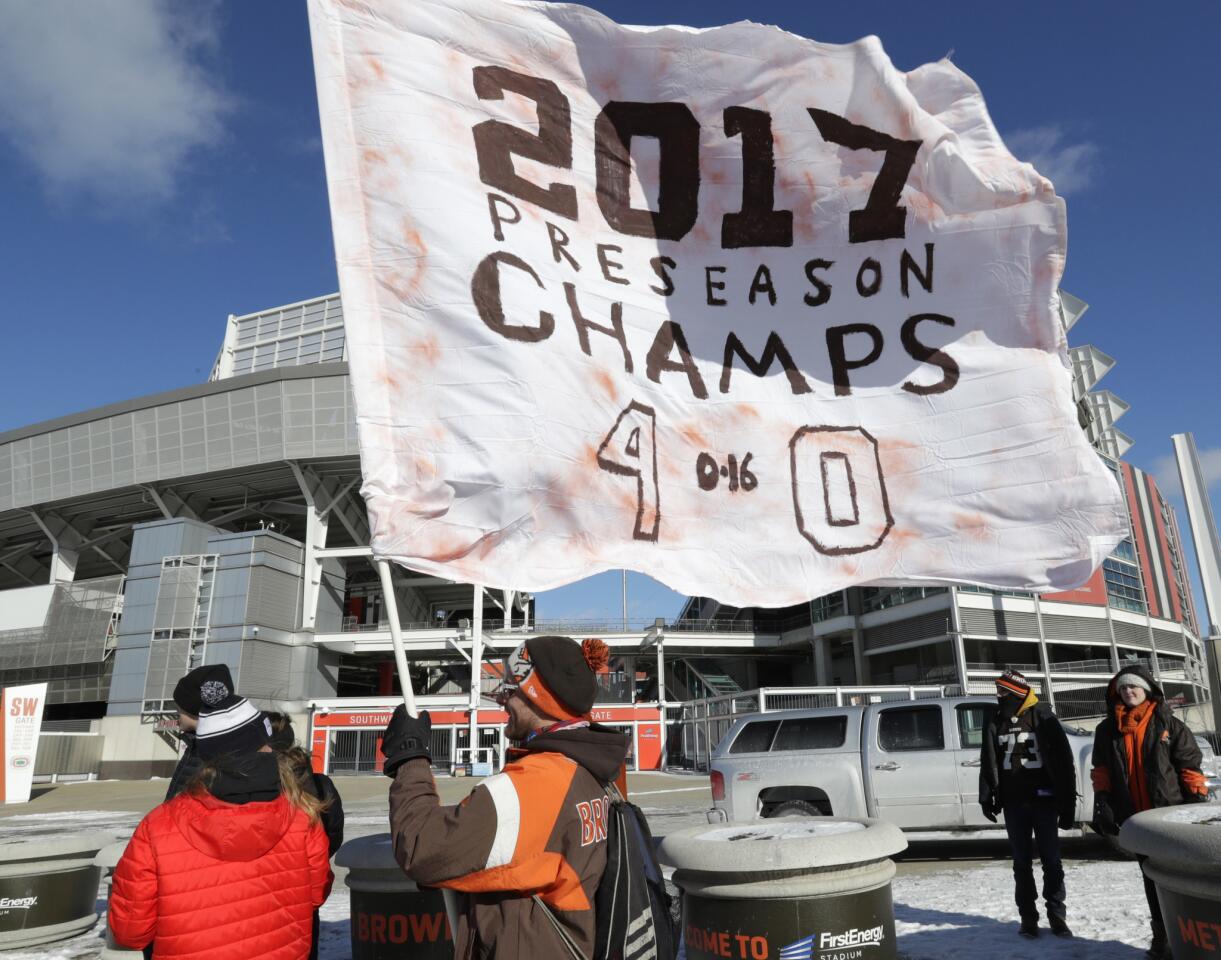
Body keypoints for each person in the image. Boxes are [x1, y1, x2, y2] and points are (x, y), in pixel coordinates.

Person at [381, 635, 630, 960]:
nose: (502, 701)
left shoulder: (537, 784)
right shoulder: (597, 767)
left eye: (511, 690)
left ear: (539, 698)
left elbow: (422, 846)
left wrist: (409, 756)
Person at [108, 685, 333, 960]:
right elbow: (315, 895)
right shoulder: (302, 815)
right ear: (265, 744)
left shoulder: (158, 826)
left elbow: (130, 931)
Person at [1090, 665, 1209, 959]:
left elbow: (1189, 765)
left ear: (1147, 690)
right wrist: (1102, 800)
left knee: (1176, 877)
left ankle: (1187, 936)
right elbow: (1101, 769)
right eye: (1123, 688)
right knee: (1149, 875)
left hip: (1169, 815)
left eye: (1134, 687)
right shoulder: (1107, 730)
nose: (1129, 692)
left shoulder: (1168, 723)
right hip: (1135, 817)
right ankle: (1162, 938)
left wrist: (1196, 797)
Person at [979, 668, 1077, 940]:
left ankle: (1057, 916)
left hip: (1044, 800)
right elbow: (988, 759)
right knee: (1021, 862)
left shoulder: (1043, 717)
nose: (999, 695)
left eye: (1003, 691)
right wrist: (987, 795)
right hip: (1013, 802)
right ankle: (1028, 918)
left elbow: (1064, 761)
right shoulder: (995, 719)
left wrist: (1067, 803)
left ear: (1017, 691)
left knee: (1051, 861)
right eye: (998, 690)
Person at [267, 713, 345, 960]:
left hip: (262, 894)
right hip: (304, 896)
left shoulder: (257, 782)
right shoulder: (318, 783)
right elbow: (333, 834)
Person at [164, 663, 235, 800]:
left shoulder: (212, 755)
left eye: (179, 708)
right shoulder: (196, 745)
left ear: (194, 708)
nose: (176, 713)